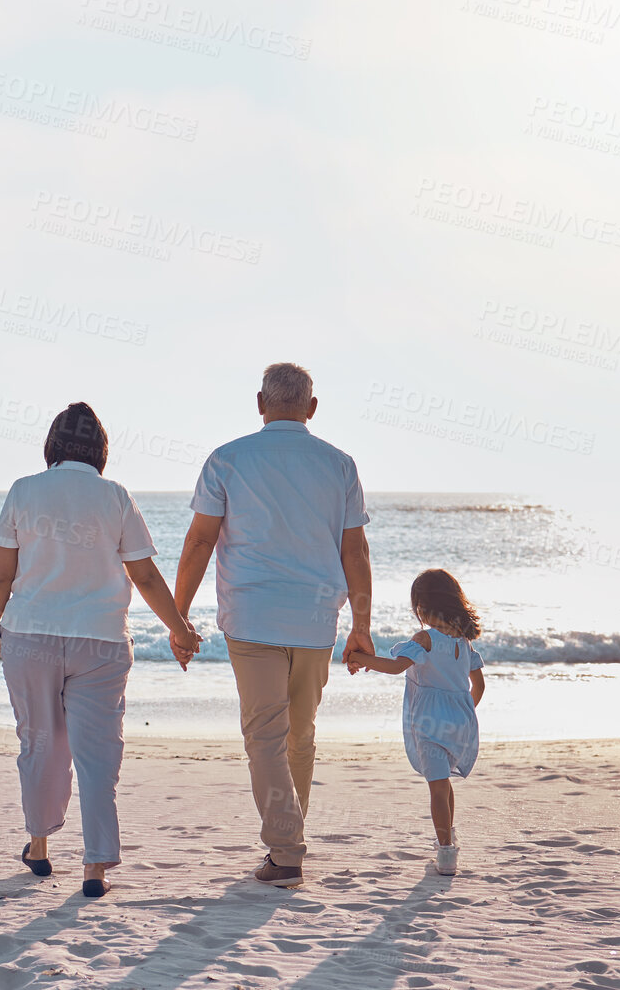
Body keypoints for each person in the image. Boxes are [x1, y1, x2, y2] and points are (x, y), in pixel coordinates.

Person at [0, 402, 202, 898]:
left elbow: (2, 573)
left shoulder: (24, 490)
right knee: (98, 755)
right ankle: (95, 864)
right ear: (100, 450)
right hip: (99, 640)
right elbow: (143, 574)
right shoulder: (115, 496)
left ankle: (38, 846)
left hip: (31, 636)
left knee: (39, 743)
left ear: (52, 446)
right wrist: (181, 629)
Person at [173, 362, 372, 888]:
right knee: (298, 735)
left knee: (266, 736)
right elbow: (355, 550)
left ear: (260, 403)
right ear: (311, 408)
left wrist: (179, 618)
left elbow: (198, 542)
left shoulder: (227, 459)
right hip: (315, 618)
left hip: (252, 615)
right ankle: (288, 839)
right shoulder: (340, 465)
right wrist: (362, 626)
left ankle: (286, 851)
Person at [344, 569, 486, 876]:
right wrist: (460, 711)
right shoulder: (465, 643)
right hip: (461, 721)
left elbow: (397, 667)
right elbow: (479, 687)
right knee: (443, 783)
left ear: (422, 606)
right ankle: (447, 837)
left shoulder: (426, 638)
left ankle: (446, 851)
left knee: (436, 787)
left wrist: (360, 658)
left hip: (429, 724)